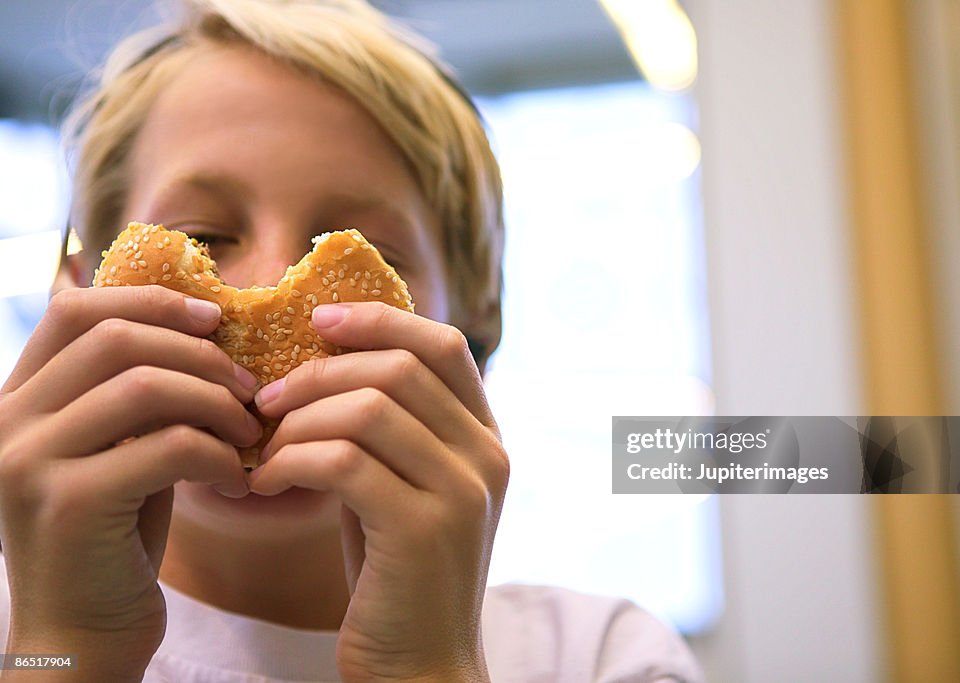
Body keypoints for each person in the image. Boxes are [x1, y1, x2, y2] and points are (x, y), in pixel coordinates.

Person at [0, 1, 705, 680]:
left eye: (367, 261)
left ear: (473, 329)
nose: (275, 288)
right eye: (201, 238)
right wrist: (67, 649)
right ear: (76, 298)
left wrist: (428, 667)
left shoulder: (601, 656)